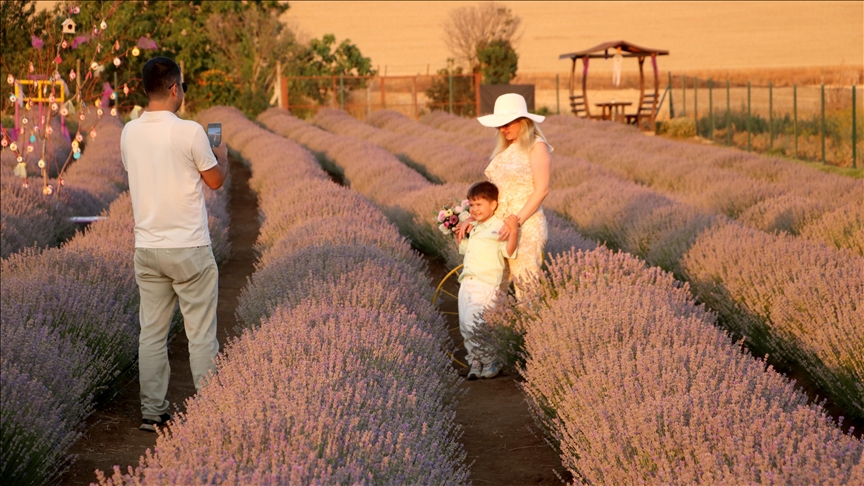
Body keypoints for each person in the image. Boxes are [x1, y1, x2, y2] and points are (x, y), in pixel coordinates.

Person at [120, 56, 228, 432]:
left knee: (151, 332)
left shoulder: (129, 132)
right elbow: (215, 181)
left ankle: (153, 412)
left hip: (147, 248)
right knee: (200, 335)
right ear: (173, 88)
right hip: (189, 248)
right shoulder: (191, 132)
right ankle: (210, 414)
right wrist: (222, 155)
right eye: (182, 87)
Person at [457, 93, 551, 293]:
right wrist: (474, 219)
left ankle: (528, 324)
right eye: (499, 125)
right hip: (497, 226)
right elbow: (494, 196)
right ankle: (491, 325)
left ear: (523, 121)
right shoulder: (506, 149)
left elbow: (542, 190)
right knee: (493, 285)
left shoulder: (537, 146)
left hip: (525, 226)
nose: (503, 129)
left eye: (507, 123)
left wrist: (515, 222)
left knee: (526, 287)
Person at [456, 181, 519, 380]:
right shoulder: (474, 227)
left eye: (479, 204)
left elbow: (508, 251)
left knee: (477, 322)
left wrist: (514, 231)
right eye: (471, 205)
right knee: (465, 325)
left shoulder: (499, 227)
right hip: (467, 281)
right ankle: (475, 360)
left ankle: (491, 358)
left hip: (485, 282)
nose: (474, 209)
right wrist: (460, 235)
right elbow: (465, 250)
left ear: (493, 205)